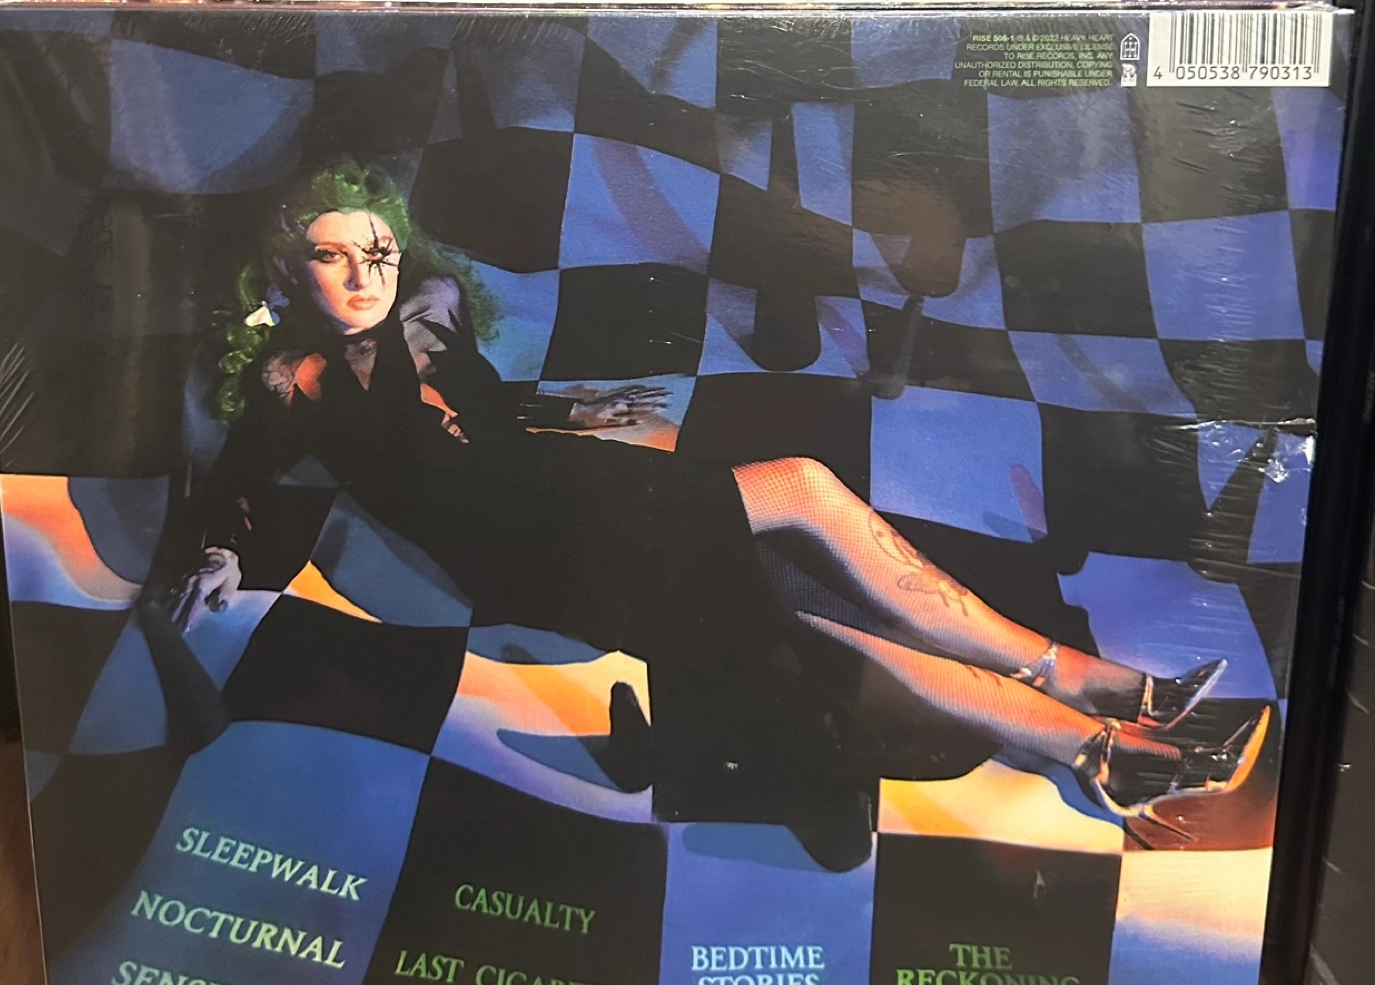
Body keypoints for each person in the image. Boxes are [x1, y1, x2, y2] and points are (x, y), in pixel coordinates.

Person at [170, 159, 1267, 870]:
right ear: (287, 269)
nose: (365, 272)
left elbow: (479, 424)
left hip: (585, 490)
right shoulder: (292, 381)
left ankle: (1101, 705)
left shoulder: (432, 304)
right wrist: (222, 548)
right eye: (332, 254)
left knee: (810, 493)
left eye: (378, 248)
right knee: (820, 616)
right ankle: (1102, 726)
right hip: (539, 556)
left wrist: (574, 414)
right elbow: (245, 475)